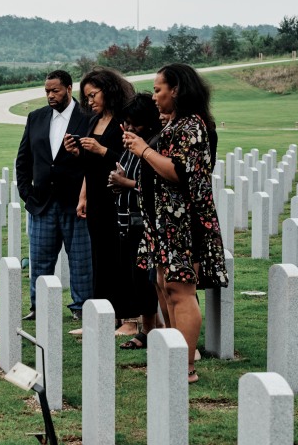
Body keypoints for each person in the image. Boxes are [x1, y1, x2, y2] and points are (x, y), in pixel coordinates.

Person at [123, 63, 228, 383]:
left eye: (158, 89)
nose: (154, 97)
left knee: (181, 290)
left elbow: (180, 173)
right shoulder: (176, 124)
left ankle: (185, 366)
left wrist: (143, 150)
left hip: (182, 224)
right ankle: (173, 353)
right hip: (163, 224)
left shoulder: (192, 125)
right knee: (165, 285)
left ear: (177, 90)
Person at [16, 70, 92, 321]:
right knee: (39, 260)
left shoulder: (88, 117)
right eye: (47, 91)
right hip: (42, 204)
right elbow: (24, 160)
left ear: (69, 89)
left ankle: (81, 308)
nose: (50, 95)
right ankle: (39, 307)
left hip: (76, 203)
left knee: (81, 260)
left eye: (55, 90)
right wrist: (27, 194)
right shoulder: (35, 117)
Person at [65, 67, 134, 333]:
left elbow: (129, 158)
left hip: (116, 197)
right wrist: (77, 153)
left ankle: (128, 317)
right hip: (95, 195)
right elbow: (90, 165)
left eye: (93, 95)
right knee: (100, 258)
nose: (90, 101)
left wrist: (102, 149)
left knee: (119, 257)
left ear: (109, 90)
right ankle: (103, 317)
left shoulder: (122, 119)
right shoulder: (94, 120)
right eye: (87, 97)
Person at [108, 94, 163, 349]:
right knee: (138, 282)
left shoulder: (154, 145)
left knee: (150, 280)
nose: (128, 128)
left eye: (134, 123)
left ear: (148, 122)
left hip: (146, 221)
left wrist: (126, 183)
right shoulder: (132, 143)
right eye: (126, 123)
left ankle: (161, 331)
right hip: (128, 220)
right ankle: (148, 330)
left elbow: (160, 186)